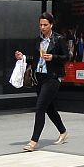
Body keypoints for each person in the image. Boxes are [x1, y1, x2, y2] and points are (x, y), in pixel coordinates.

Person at [17, 12, 69, 152]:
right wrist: (23, 57)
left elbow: (67, 57)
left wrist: (53, 57)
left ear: (51, 25)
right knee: (49, 108)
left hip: (52, 77)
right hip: (39, 77)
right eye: (40, 25)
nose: (42, 27)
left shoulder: (58, 39)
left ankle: (34, 141)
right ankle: (63, 132)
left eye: (45, 25)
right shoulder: (38, 40)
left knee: (40, 107)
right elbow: (34, 59)